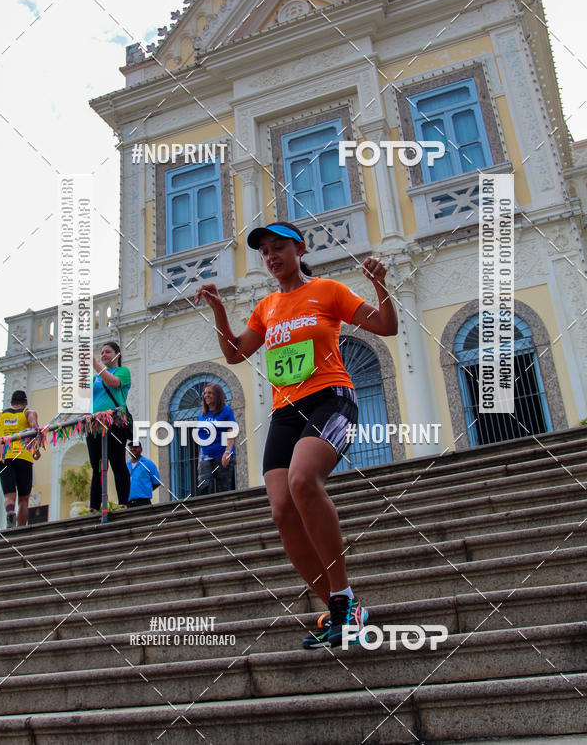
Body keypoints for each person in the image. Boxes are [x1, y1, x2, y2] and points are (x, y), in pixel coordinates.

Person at [195, 221, 398, 649]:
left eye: (279, 247)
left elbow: (385, 325)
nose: (271, 256)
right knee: (282, 511)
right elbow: (234, 354)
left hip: (331, 398)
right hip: (285, 411)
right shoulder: (266, 306)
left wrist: (381, 285)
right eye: (265, 251)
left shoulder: (329, 290)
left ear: (299, 248)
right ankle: (342, 610)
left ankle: (341, 595)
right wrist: (218, 310)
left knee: (303, 481)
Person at [88, 342, 132, 513]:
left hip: (114, 421)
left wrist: (95, 364)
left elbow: (114, 383)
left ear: (117, 354)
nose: (104, 354)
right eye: (102, 352)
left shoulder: (123, 371)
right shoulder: (95, 378)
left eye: (108, 352)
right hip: (95, 422)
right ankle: (94, 505)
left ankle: (123, 502)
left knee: (117, 461)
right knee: (96, 465)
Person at [0, 390, 40, 527]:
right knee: (24, 499)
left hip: (5, 457)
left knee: (9, 494)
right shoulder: (28, 413)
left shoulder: (0, 416)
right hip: (23, 457)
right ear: (25, 402)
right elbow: (35, 430)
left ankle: (9, 512)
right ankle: (20, 529)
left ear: (11, 402)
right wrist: (36, 449)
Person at [196, 383, 237, 495]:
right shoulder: (202, 414)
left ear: (217, 395)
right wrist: (199, 459)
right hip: (206, 456)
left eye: (210, 393)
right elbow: (202, 438)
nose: (206, 395)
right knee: (203, 486)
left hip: (222, 454)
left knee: (224, 487)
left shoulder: (226, 411)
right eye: (205, 393)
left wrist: (227, 452)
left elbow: (231, 431)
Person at [126, 442, 161, 507]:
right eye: (131, 447)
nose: (133, 449)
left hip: (144, 502)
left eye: (136, 447)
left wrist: (145, 490)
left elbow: (157, 482)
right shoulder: (126, 466)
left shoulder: (148, 463)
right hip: (129, 503)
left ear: (141, 449)